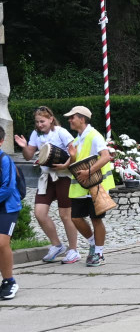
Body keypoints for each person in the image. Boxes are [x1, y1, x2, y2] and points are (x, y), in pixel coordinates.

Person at [15, 107, 78, 263]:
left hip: (63, 177)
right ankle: (57, 245)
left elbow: (75, 151)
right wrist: (24, 147)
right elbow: (29, 156)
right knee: (39, 213)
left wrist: (65, 165)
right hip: (46, 178)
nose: (39, 124)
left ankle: (74, 250)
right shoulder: (36, 134)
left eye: (42, 121)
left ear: (51, 119)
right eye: (37, 122)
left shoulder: (61, 132)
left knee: (65, 215)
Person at [57, 107, 113, 267]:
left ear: (82, 119)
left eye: (72, 117)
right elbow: (73, 162)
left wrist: (89, 171)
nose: (69, 120)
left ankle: (99, 253)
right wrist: (64, 163)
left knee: (96, 219)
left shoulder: (94, 136)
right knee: (75, 218)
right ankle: (94, 244)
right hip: (81, 187)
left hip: (96, 185)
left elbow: (106, 156)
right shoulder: (77, 140)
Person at [0, 127, 22, 300]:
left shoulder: (4, 160)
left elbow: (7, 188)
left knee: (1, 243)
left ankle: (9, 281)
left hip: (7, 207)